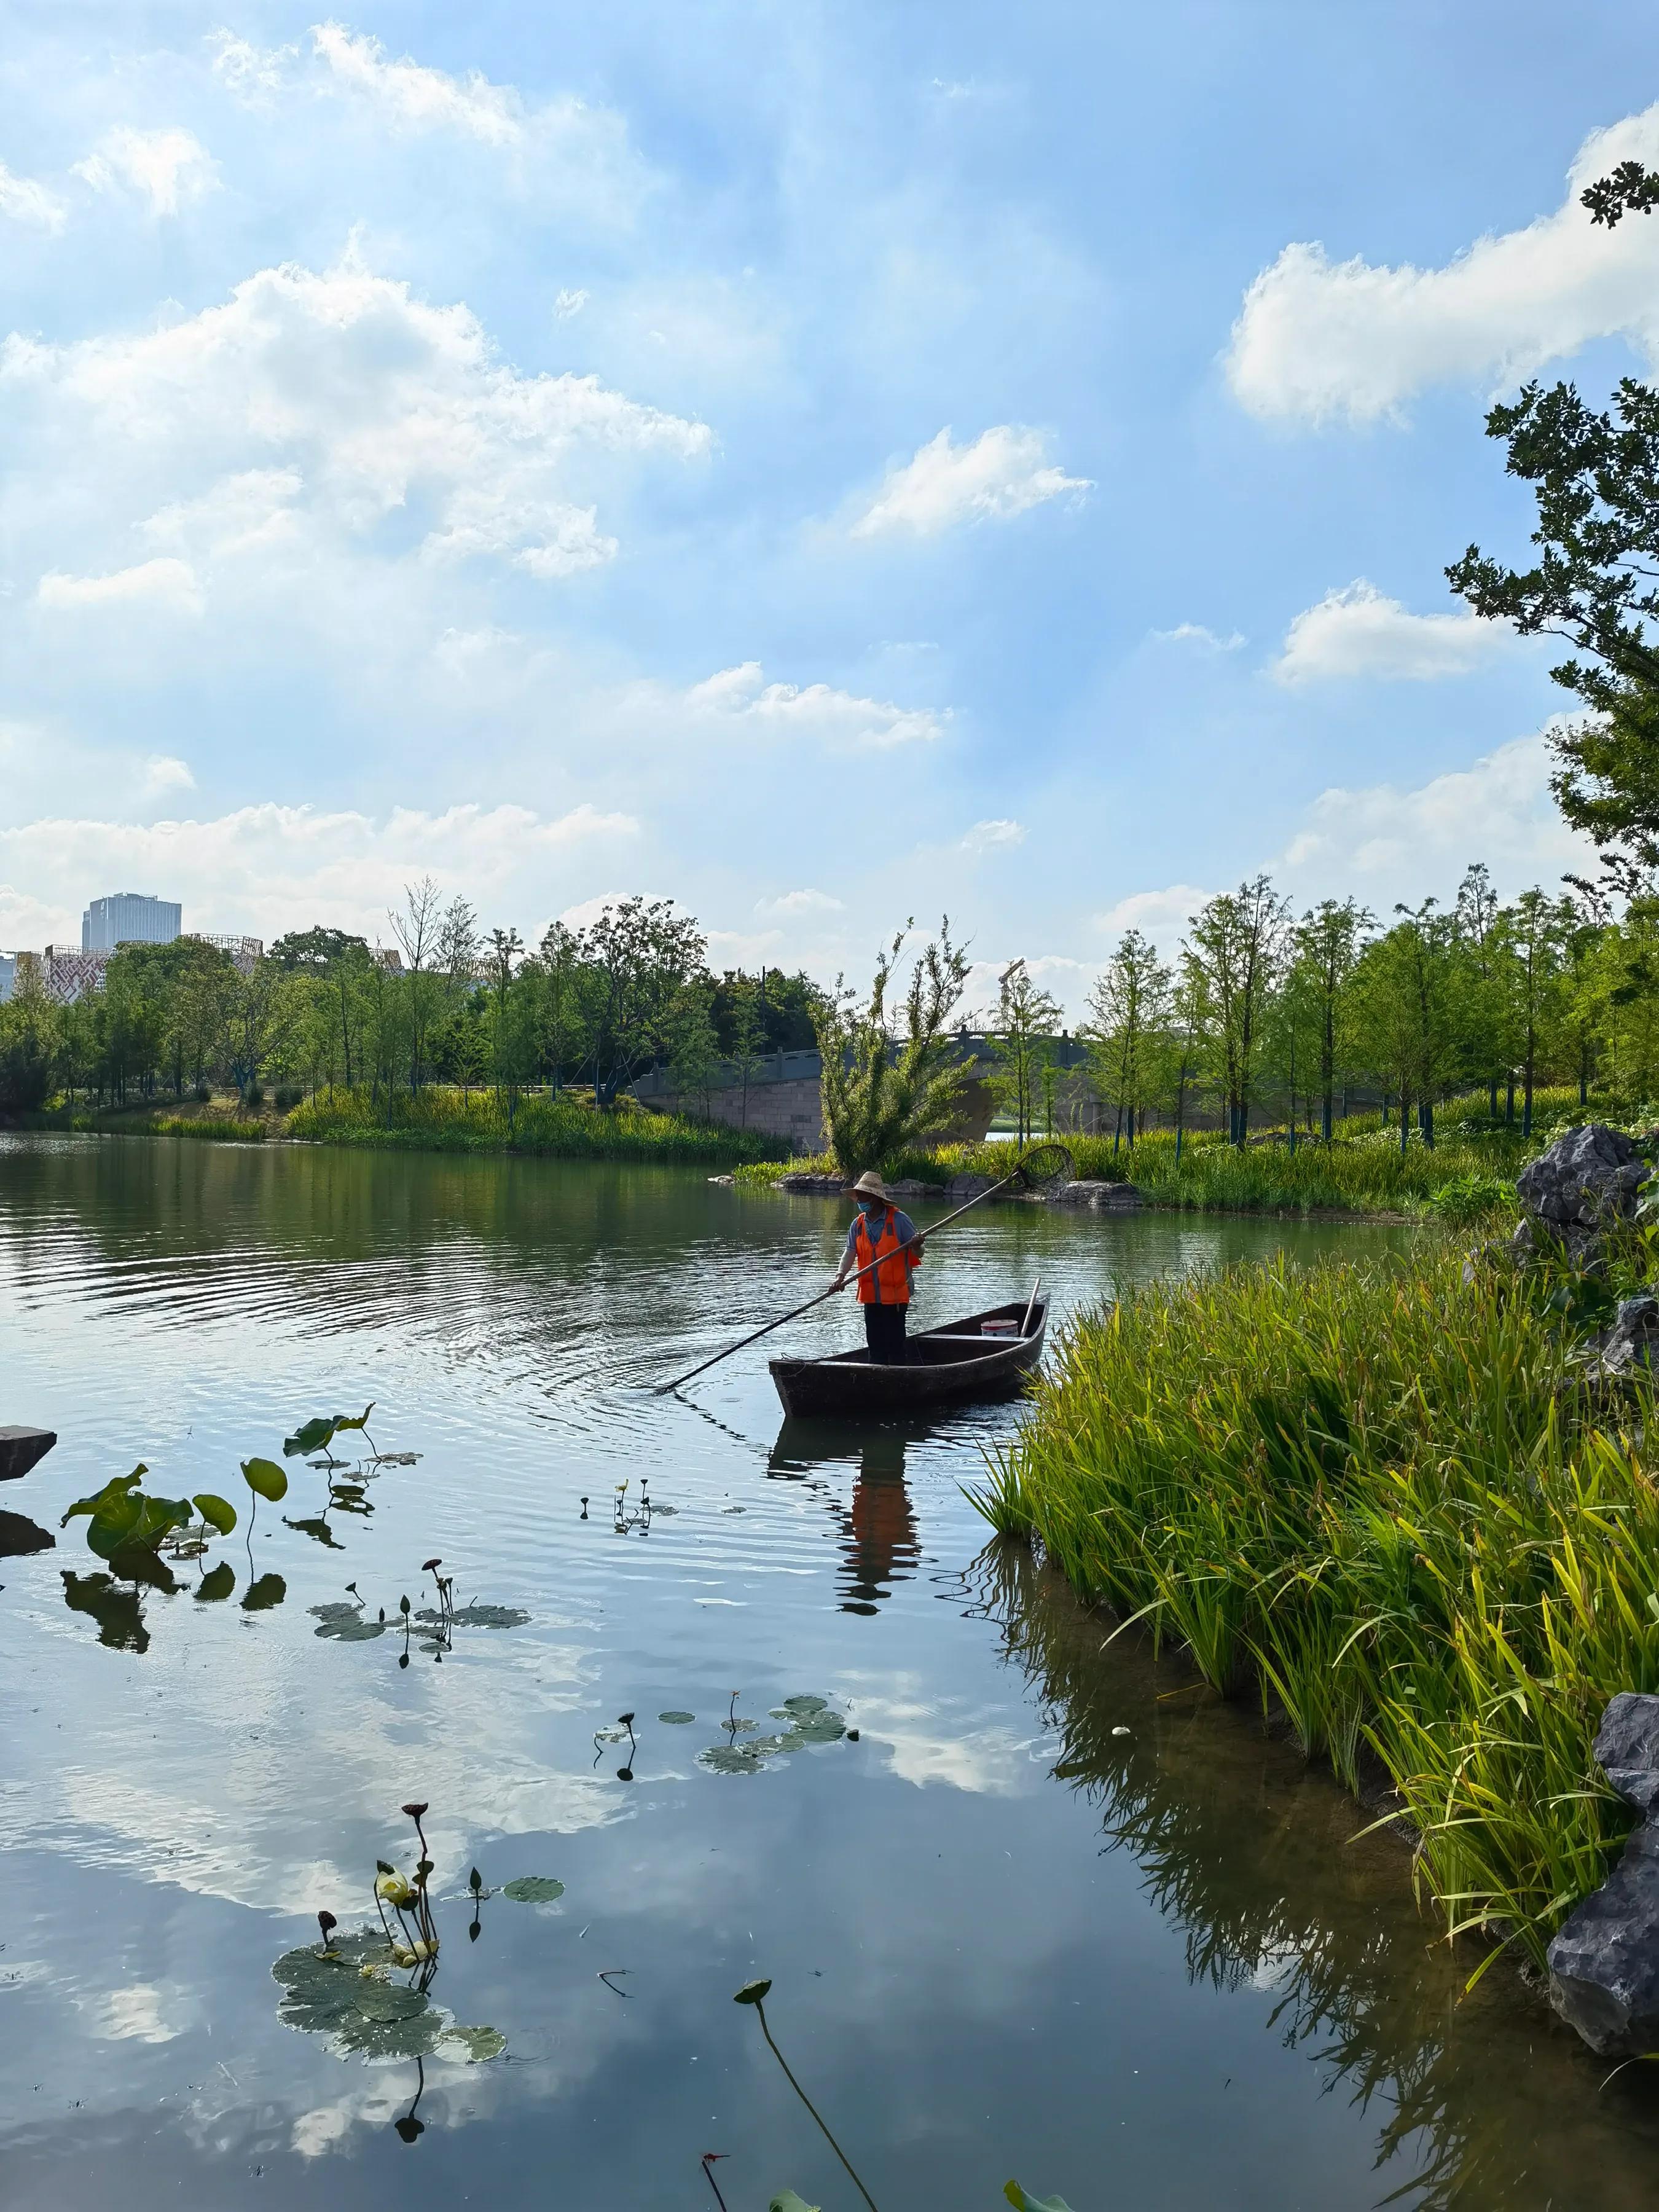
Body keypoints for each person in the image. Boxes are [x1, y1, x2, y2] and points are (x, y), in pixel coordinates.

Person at [830, 1171, 925, 1364]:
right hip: (871, 1295)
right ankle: (876, 1374)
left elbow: (920, 1253)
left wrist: (916, 1244)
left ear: (874, 1198)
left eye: (862, 1195)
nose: (858, 1200)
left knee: (895, 1342)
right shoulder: (857, 1225)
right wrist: (840, 1276)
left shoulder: (899, 1220)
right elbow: (849, 1253)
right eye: (858, 1196)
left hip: (896, 1294)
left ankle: (899, 1377)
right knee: (874, 1342)